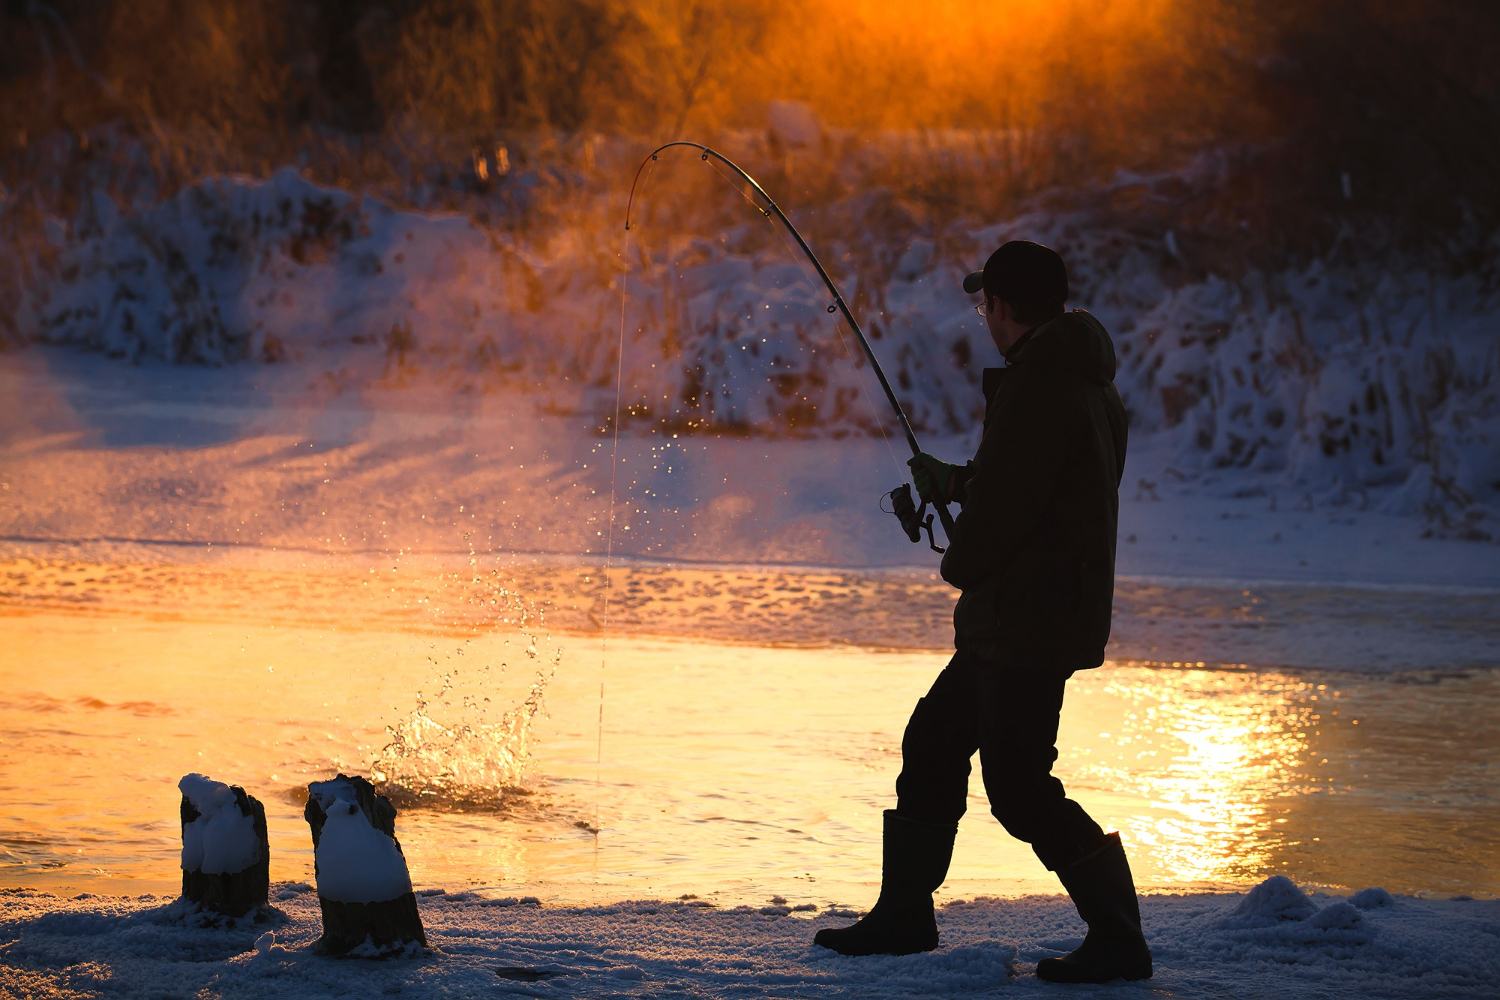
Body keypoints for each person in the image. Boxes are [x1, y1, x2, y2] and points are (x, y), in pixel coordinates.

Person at [813, 240, 1150, 983]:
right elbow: (1042, 484)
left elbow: (1014, 506)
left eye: (984, 304)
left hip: (1027, 620)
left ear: (1001, 306)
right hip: (1032, 614)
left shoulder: (1041, 385)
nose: (983, 317)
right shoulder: (1083, 380)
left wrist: (959, 562)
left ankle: (1120, 937)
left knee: (1021, 789)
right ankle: (904, 917)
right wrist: (960, 482)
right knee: (934, 741)